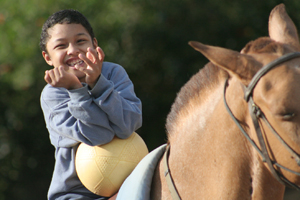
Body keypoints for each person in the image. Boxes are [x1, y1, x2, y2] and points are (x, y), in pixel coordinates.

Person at [39, 9, 142, 200]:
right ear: (48, 58)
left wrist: (98, 83)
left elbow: (128, 125)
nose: (73, 50)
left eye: (80, 41)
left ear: (94, 44)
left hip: (131, 184)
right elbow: (99, 136)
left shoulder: (114, 74)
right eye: (61, 46)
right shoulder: (53, 94)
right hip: (77, 195)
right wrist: (76, 90)